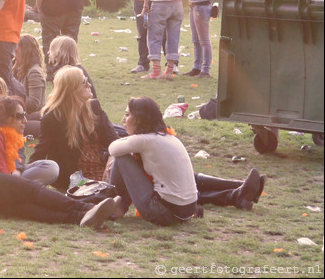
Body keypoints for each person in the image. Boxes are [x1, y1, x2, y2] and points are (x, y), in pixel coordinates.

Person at [0, 96, 122, 228]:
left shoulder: (5, 135)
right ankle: (86, 207)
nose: (25, 120)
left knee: (23, 208)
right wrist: (20, 185)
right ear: (4, 117)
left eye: (24, 115)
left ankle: (81, 217)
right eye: (19, 116)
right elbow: (2, 172)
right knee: (31, 190)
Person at [109, 96, 265, 225]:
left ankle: (116, 207)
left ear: (139, 119)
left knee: (122, 157)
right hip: (186, 210)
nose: (123, 120)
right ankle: (238, 190)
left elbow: (113, 149)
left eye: (127, 115)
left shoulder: (144, 140)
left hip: (165, 213)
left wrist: (127, 140)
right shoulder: (166, 136)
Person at [31, 66, 117, 191]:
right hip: (74, 176)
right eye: (84, 82)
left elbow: (113, 139)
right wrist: (26, 177)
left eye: (87, 80)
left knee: (126, 157)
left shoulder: (94, 107)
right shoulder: (53, 118)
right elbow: (41, 151)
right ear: (72, 89)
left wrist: (112, 158)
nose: (89, 85)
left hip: (103, 166)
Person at [11, 34, 46, 117]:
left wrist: (11, 97)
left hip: (32, 116)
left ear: (25, 52)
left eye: (17, 52)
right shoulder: (19, 69)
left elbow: (34, 104)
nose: (14, 56)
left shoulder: (34, 72)